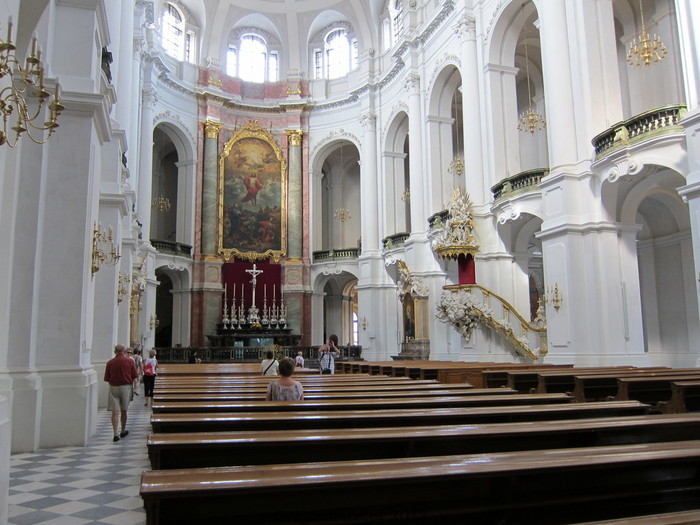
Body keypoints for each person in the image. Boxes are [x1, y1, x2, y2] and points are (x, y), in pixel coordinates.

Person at [103, 344, 138, 442]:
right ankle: (122, 430)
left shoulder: (110, 362)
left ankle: (115, 434)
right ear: (124, 351)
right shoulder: (129, 361)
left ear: (115, 352)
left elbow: (106, 378)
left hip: (114, 387)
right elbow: (134, 375)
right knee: (124, 410)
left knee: (115, 412)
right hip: (125, 387)